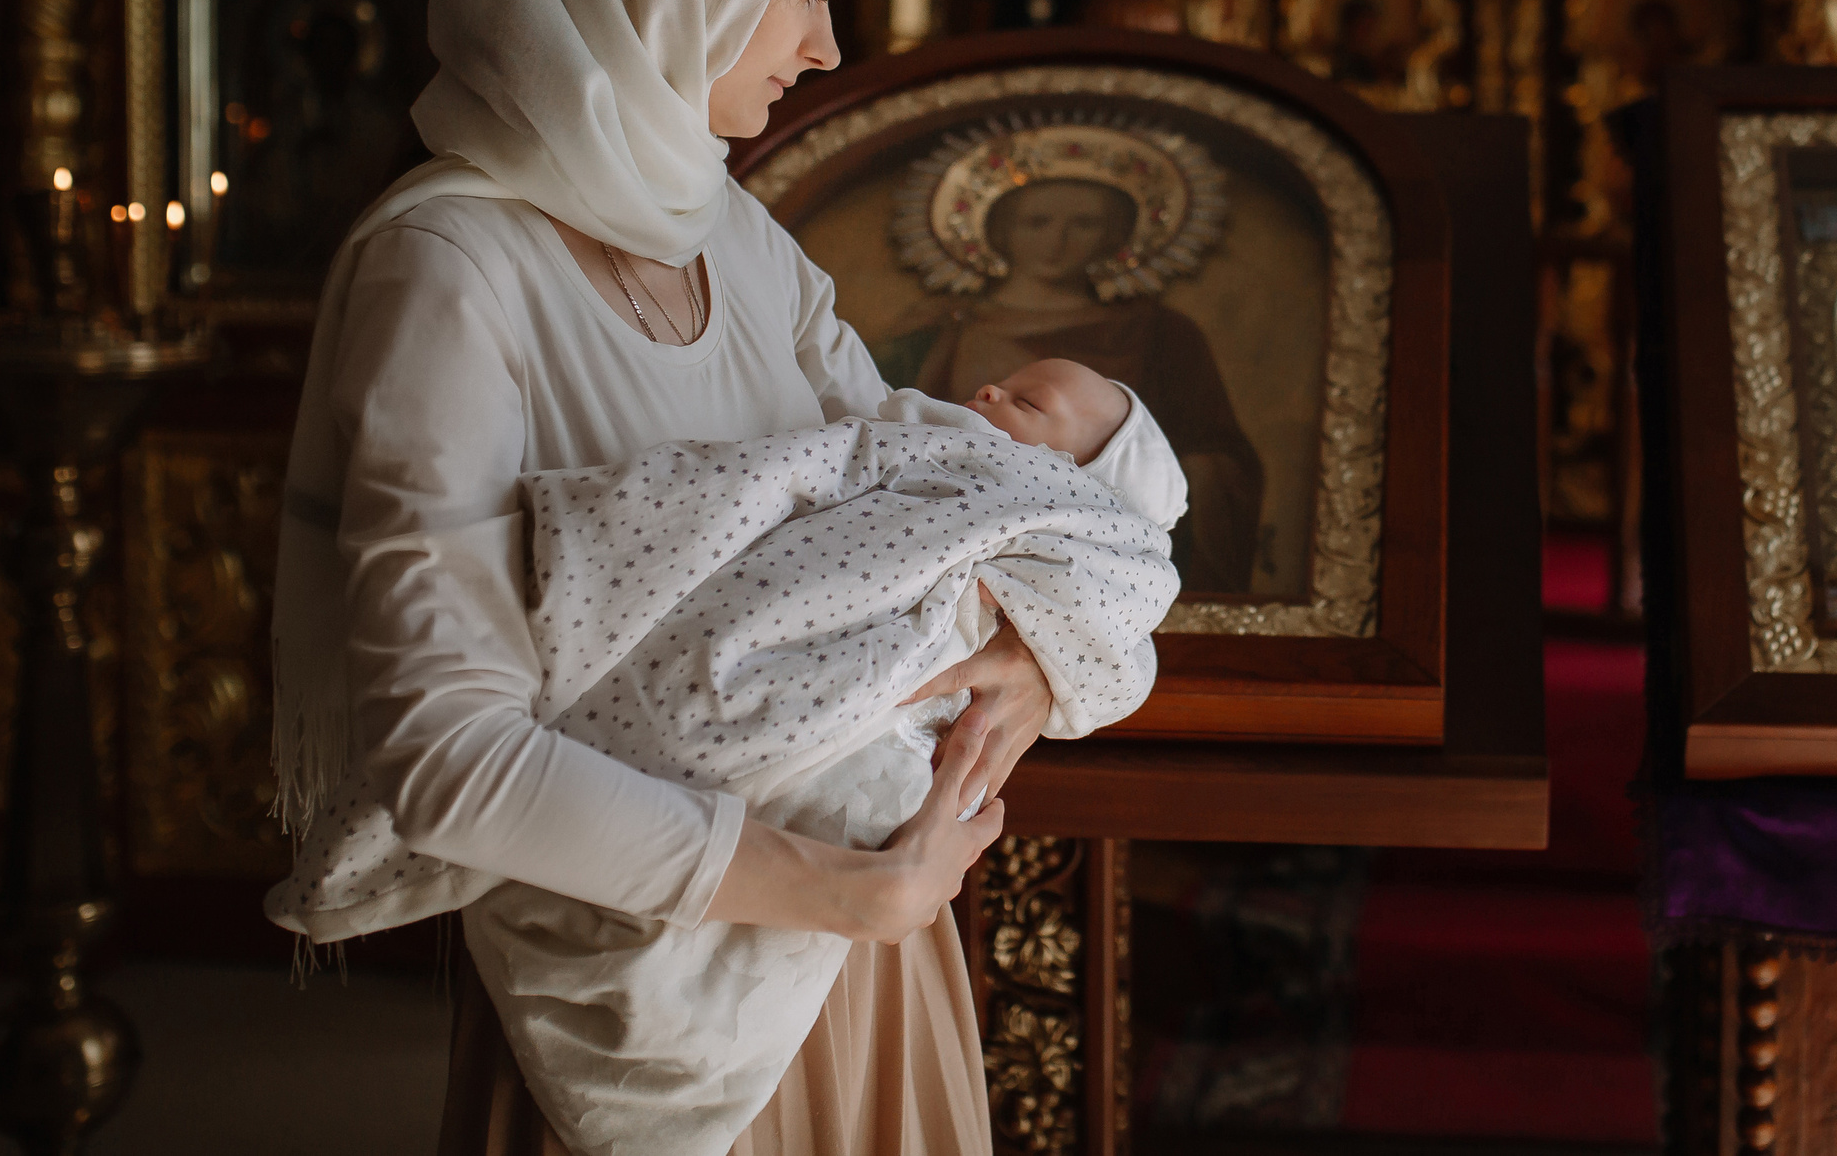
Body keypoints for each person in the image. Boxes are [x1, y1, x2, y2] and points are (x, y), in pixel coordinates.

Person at [268, 0, 1186, 1153]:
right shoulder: (450, 270)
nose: (830, 43)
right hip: (672, 981)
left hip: (866, 948)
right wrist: (831, 886)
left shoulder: (735, 239)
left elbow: (925, 499)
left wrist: (1025, 637)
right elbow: (441, 752)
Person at [274, 355, 1184, 1154]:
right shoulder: (931, 437)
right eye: (1007, 379)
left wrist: (1042, 648)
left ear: (1083, 475)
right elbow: (824, 463)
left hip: (885, 772)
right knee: (683, 713)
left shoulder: (1089, 526)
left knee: (823, 782)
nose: (991, 389)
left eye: (1029, 403)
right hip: (755, 645)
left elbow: (1122, 635)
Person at [881, 176, 1265, 600]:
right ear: (1000, 229)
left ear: (1116, 235)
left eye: (1084, 224)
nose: (1057, 240)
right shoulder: (934, 326)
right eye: (1036, 222)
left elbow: (1220, 461)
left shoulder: (1162, 334)